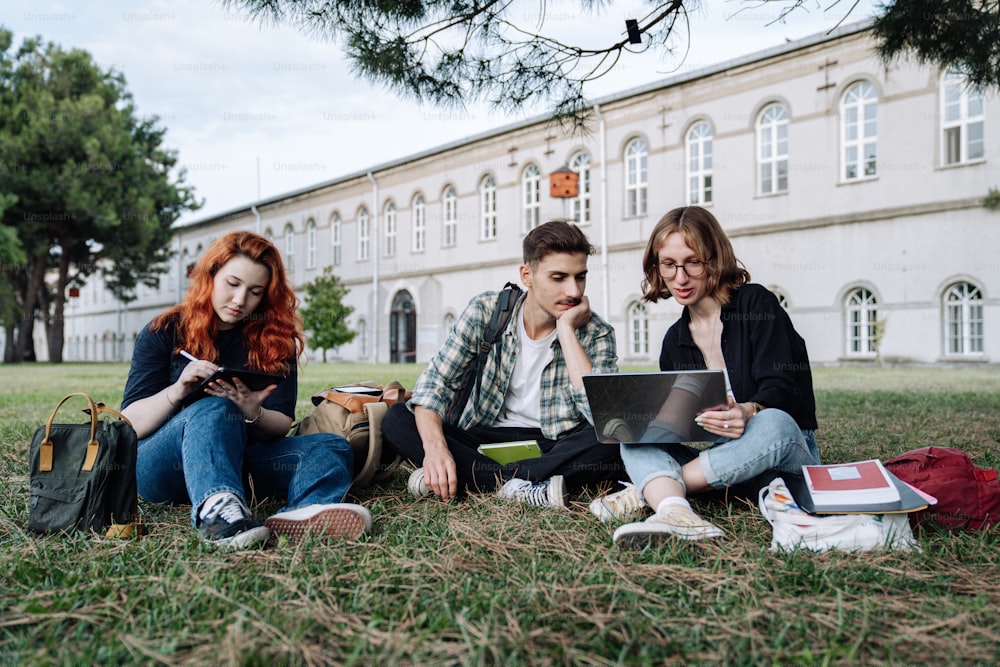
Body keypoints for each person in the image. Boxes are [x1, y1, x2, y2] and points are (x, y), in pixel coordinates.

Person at [121, 231, 371, 550]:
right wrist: (180, 389)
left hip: (239, 462)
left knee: (330, 446)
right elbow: (130, 422)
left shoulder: (275, 340)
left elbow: (281, 422)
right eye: (232, 284)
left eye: (254, 292)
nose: (240, 301)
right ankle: (219, 517)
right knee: (216, 407)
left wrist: (253, 411)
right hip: (162, 467)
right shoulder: (165, 330)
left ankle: (304, 512)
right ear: (210, 276)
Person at [592, 206, 820, 547]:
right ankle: (677, 513)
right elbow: (684, 424)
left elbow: (787, 390)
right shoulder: (674, 340)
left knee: (774, 421)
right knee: (632, 432)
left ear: (714, 259)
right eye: (669, 265)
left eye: (693, 262)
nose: (680, 278)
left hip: (782, 454)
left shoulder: (757, 303)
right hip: (725, 466)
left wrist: (748, 410)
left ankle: (655, 492)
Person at [382, 220, 624, 507]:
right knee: (397, 419)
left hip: (554, 445)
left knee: (614, 437)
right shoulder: (485, 311)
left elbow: (603, 419)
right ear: (527, 275)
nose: (573, 291)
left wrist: (568, 331)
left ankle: (485, 481)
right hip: (482, 441)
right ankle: (529, 485)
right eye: (558, 278)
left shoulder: (597, 333)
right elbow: (435, 386)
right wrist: (435, 450)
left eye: (580, 277)